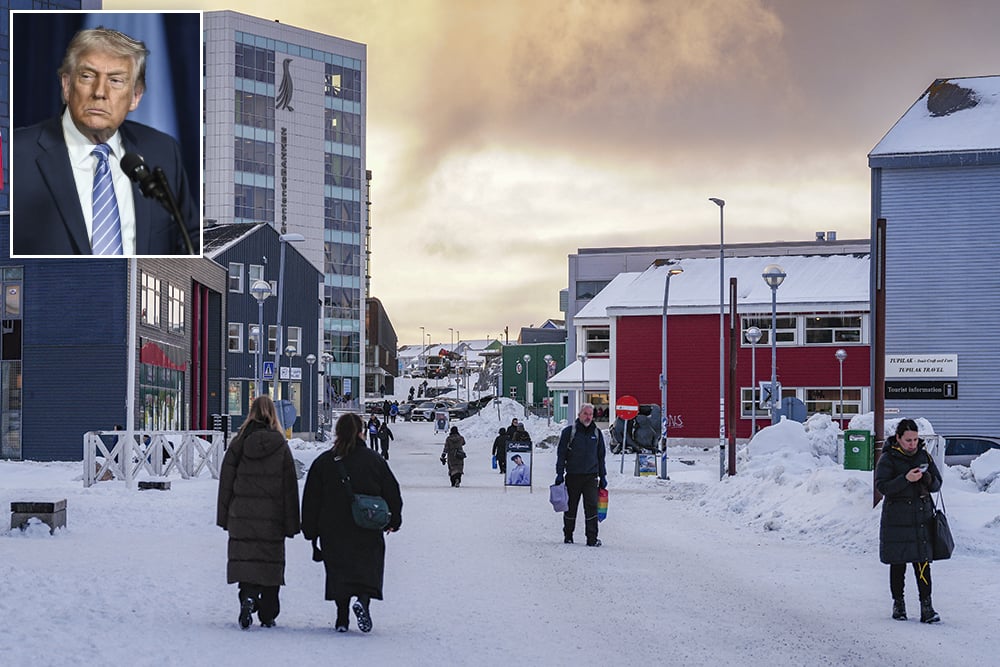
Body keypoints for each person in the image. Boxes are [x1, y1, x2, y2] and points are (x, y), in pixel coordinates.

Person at [12, 26, 199, 256]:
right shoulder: (16, 153)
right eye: (87, 76)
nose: (100, 92)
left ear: (135, 96)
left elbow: (189, 241)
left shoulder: (163, 151)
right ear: (67, 86)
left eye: (116, 80)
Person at [301, 413, 403, 633]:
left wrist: (310, 529)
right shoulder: (374, 460)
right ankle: (363, 600)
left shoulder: (324, 462)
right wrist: (394, 519)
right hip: (367, 525)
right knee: (367, 567)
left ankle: (342, 618)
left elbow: (311, 498)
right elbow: (392, 491)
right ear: (361, 432)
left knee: (340, 571)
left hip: (332, 528)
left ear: (337, 432)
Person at [216, 395, 300, 629]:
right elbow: (289, 487)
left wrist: (224, 517)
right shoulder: (280, 445)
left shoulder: (238, 444)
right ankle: (268, 613)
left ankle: (248, 597)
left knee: (247, 562)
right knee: (270, 565)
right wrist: (292, 523)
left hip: (242, 516)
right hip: (272, 518)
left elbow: (226, 482)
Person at [875, 418, 943, 623]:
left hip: (921, 518)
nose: (912, 444)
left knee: (923, 563)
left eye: (915, 439)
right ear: (898, 438)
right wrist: (905, 479)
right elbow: (882, 487)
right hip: (897, 519)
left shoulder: (924, 455)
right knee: (898, 563)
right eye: (908, 440)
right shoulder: (888, 458)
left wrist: (927, 479)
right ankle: (899, 604)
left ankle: (927, 607)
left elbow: (937, 484)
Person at [555, 403, 607, 547]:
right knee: (571, 507)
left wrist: (603, 476)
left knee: (591, 507)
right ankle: (568, 535)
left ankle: (592, 538)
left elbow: (601, 457)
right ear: (579, 415)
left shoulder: (597, 433)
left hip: (591, 477)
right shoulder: (569, 432)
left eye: (590, 414)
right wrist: (559, 474)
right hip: (573, 475)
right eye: (585, 414)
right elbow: (561, 454)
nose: (588, 417)